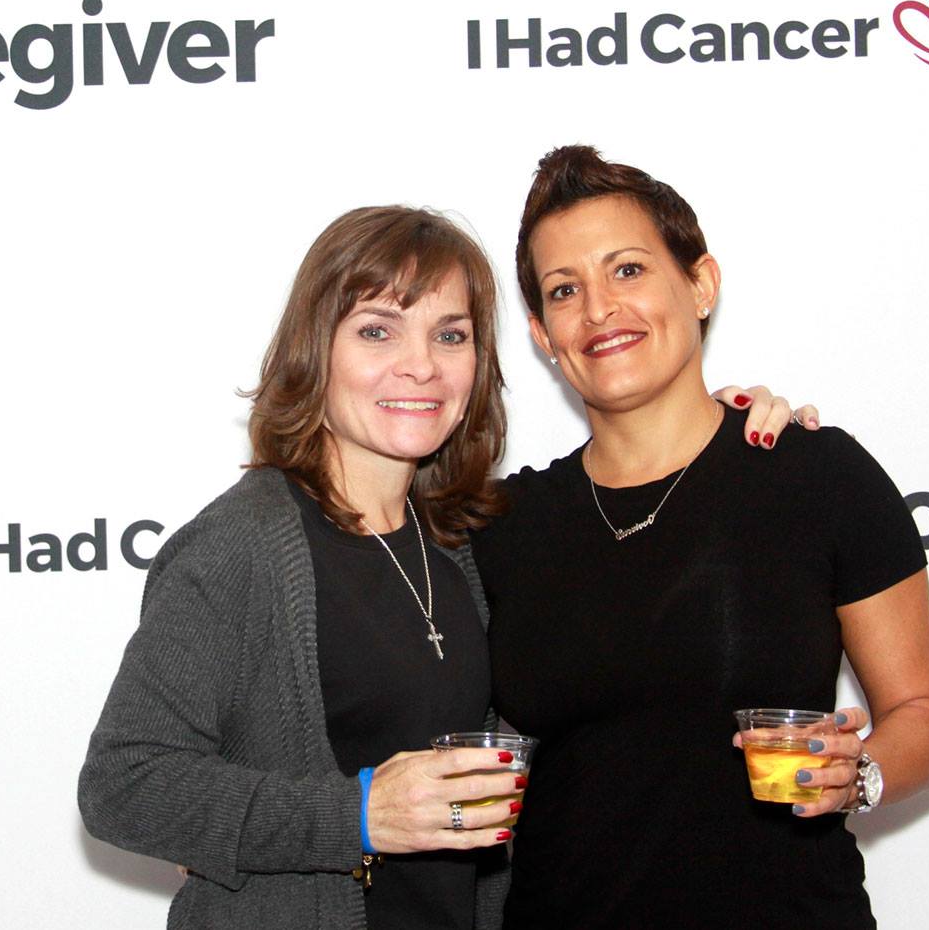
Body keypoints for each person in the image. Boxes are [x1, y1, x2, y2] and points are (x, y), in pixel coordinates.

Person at [77, 204, 805, 929]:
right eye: (376, 331)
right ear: (314, 349)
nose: (421, 365)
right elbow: (121, 783)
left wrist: (720, 425)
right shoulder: (243, 545)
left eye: (450, 335)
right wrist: (359, 814)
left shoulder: (460, 539)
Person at [470, 146, 929, 929]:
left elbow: (922, 714)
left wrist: (858, 773)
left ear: (700, 285)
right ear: (542, 334)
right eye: (565, 290)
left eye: (628, 270)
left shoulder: (816, 474)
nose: (599, 308)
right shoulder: (501, 525)